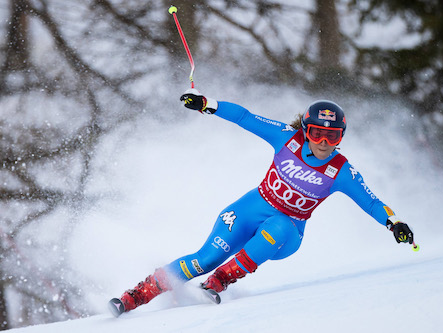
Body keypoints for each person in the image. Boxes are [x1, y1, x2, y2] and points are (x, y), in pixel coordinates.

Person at [108, 89, 415, 317]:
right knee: (205, 257)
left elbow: (372, 202)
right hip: (251, 209)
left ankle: (216, 284)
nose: (323, 142)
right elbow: (245, 117)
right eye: (317, 133)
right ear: (306, 131)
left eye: (331, 136)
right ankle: (133, 297)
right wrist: (206, 105)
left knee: (279, 224)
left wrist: (395, 223)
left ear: (340, 138)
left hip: (287, 232)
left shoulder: (341, 171)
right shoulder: (286, 138)